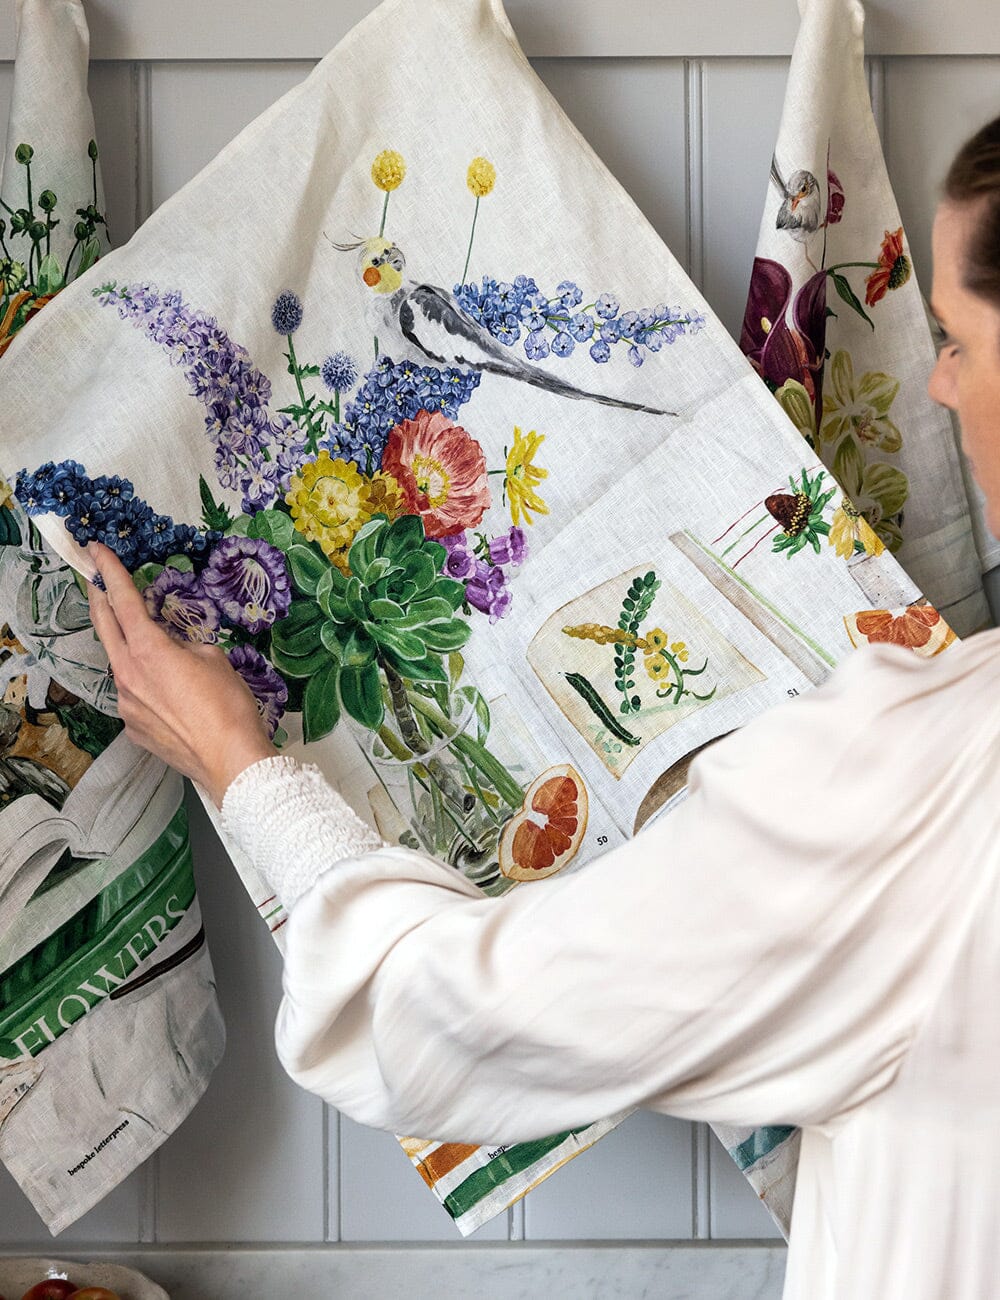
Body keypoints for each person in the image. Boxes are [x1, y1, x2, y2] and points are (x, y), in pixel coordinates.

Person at [85, 116, 1000, 1300]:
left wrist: (238, 765)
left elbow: (452, 1016)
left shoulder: (935, 776)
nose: (935, 378)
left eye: (956, 338)